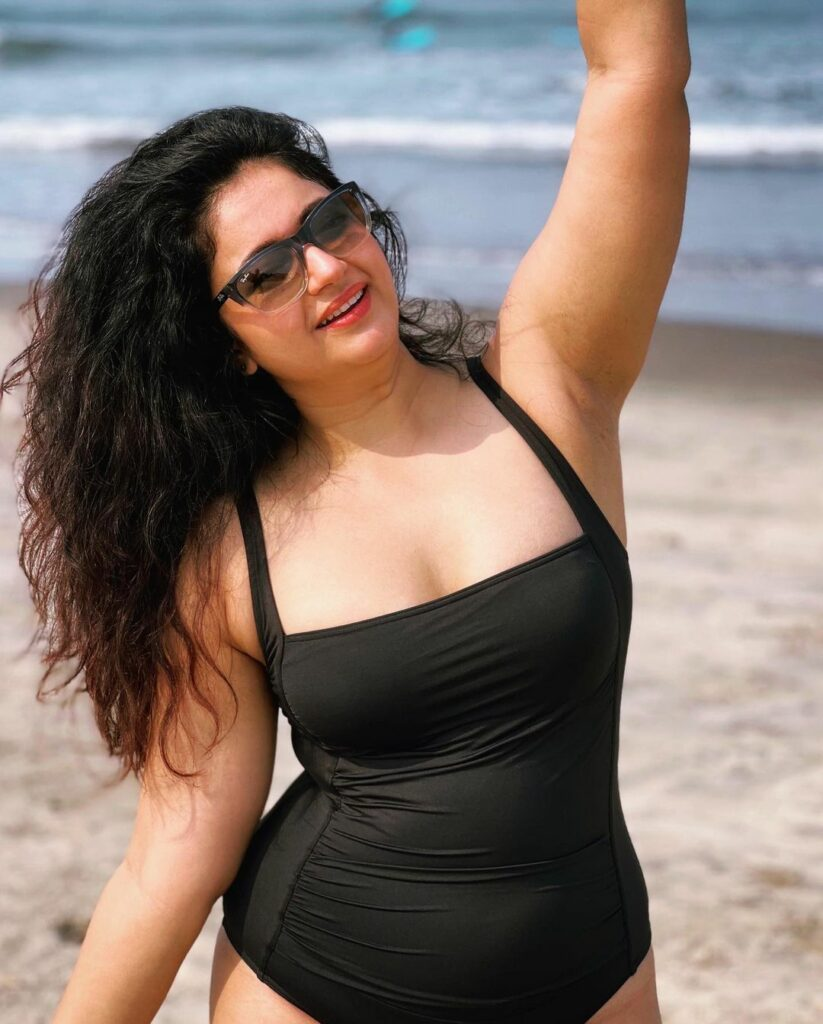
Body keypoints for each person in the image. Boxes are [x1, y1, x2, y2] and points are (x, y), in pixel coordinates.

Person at [1, 1, 691, 1021]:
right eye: (266, 273)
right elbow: (173, 859)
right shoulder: (227, 553)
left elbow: (635, 77)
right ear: (228, 344)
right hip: (319, 985)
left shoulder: (553, 388)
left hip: (595, 976)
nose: (323, 268)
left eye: (327, 221)